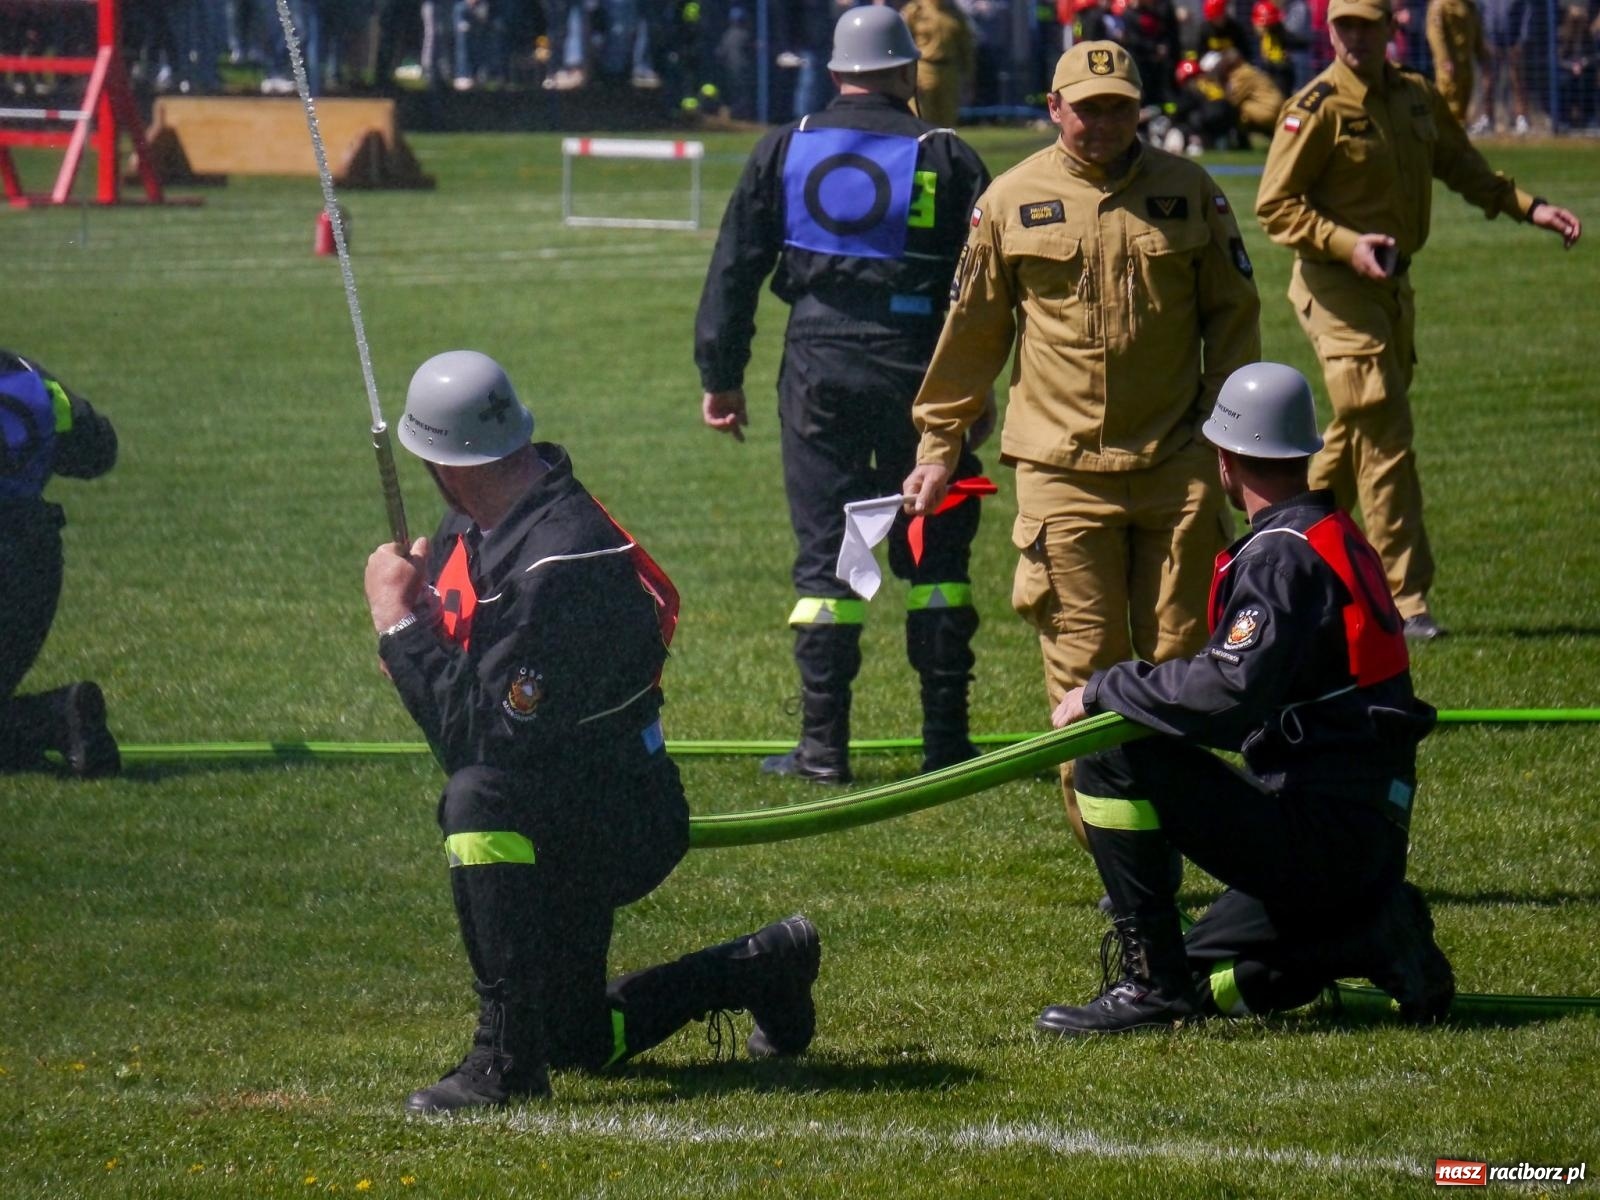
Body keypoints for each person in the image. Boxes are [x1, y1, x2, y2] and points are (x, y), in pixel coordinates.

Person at [366, 351, 822, 1113]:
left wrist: (399, 626)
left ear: (439, 461)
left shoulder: (562, 561)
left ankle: (503, 1060)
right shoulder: (479, 520)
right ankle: (757, 967)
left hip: (612, 819)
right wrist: (415, 635)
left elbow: (484, 742)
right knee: (580, 1041)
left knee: (477, 798)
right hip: (565, 795)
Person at [903, 40, 1261, 851]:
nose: (1102, 122)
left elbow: (1234, 320)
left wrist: (1227, 443)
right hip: (1061, 475)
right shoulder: (1008, 200)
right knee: (1087, 675)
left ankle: (1183, 836)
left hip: (1178, 465)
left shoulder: (1189, 190)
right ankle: (1119, 861)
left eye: (1118, 106)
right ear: (1054, 108)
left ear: (1140, 110)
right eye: (1086, 106)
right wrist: (937, 445)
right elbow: (972, 334)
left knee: (1185, 665)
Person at [1035, 362, 1454, 1035]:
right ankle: (1371, 936)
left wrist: (1104, 687)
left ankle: (1150, 988)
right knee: (1202, 970)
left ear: (1227, 460)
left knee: (1112, 752)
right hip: (1365, 833)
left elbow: (1227, 695)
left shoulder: (1280, 557)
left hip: (1321, 833)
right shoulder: (1333, 535)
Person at [694, 5, 994, 784]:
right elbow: (990, 289)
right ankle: (946, 742)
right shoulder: (948, 154)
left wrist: (720, 377)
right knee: (938, 556)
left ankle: (823, 748)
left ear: (833, 74)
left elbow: (734, 271)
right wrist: (977, 388)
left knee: (828, 555)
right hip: (925, 366)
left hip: (818, 363)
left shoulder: (782, 147)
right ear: (907, 73)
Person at [1255, 0, 1582, 639]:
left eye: (1365, 24)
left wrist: (1527, 207)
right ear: (1329, 30)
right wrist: (1347, 244)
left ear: (1389, 27)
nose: (1353, 37)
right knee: (1386, 432)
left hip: (1393, 291)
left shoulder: (1414, 97)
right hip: (1337, 289)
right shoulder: (1315, 107)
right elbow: (1276, 206)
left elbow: (1462, 166)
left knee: (1355, 431)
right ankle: (1405, 603)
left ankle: (1276, 557)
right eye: (1342, 25)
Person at [0, 350, 120, 779]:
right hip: (31, 567)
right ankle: (58, 716)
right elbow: (98, 450)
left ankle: (55, 716)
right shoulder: (25, 376)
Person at [899, 0, 976, 127]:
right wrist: (907, 74)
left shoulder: (954, 13)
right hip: (923, 69)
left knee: (947, 123)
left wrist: (968, 75)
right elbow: (901, 42)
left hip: (949, 71)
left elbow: (965, 48)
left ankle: (943, 146)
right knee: (921, 121)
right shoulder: (915, 10)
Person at [1425, 0, 1488, 123]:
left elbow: (1476, 31)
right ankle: (1446, 138)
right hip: (1450, 66)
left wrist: (1481, 55)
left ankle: (1459, 136)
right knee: (1449, 104)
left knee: (1463, 107)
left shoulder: (1470, 5)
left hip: (1466, 63)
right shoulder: (1441, 5)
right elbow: (1435, 34)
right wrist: (1444, 59)